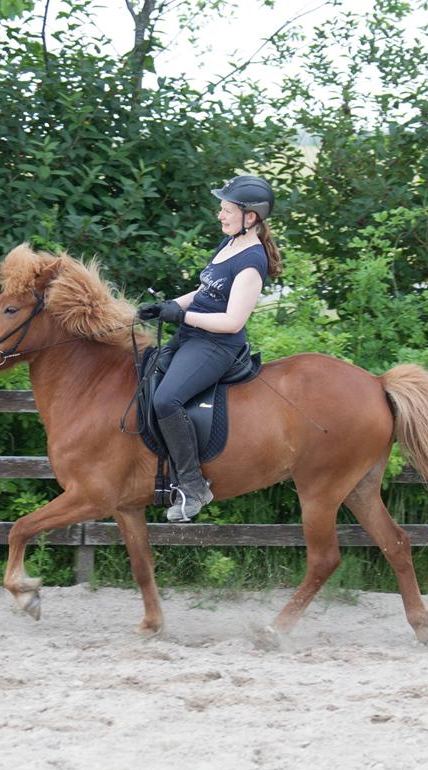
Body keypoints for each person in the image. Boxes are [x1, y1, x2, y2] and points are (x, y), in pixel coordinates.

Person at [136, 175, 284, 521]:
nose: (220, 215)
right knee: (144, 379)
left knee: (165, 399)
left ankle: (193, 487)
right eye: (221, 209)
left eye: (227, 210)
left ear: (251, 218)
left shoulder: (251, 262)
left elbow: (233, 321)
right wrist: (169, 305)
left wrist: (183, 317)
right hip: (193, 336)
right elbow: (205, 292)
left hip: (217, 345)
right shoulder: (228, 245)